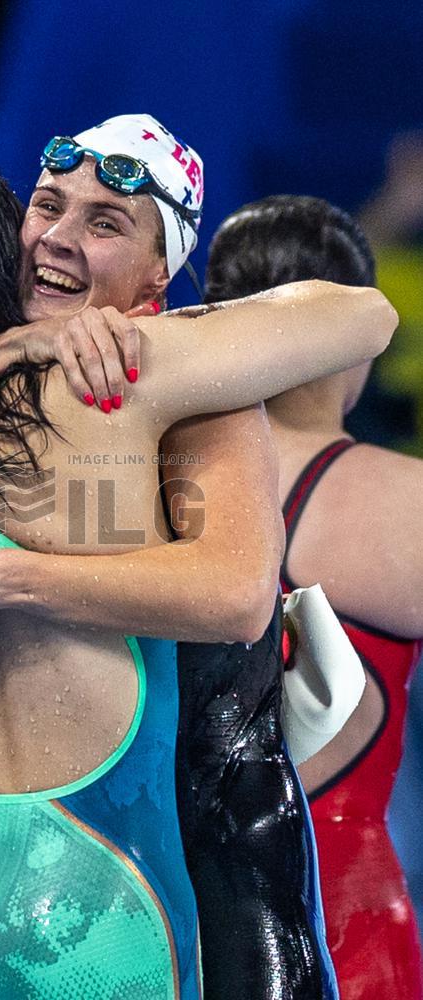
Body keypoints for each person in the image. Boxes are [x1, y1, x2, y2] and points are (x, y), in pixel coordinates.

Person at [0, 117, 395, 999]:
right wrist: (12, 346)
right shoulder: (29, 390)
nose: (60, 240)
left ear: (160, 273)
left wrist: (3, 577)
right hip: (109, 872)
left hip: (113, 858)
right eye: (47, 207)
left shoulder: (187, 382)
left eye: (106, 222)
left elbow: (233, 597)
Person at [204, 193, 423, 1000]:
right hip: (348, 925)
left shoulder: (146, 488)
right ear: (359, 342)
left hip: (175, 919)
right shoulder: (407, 505)